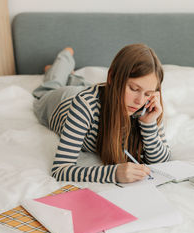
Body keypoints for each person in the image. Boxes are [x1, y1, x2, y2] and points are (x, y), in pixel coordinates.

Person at [32, 44, 171, 184]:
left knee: (84, 85)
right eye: (134, 88)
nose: (139, 101)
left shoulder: (147, 108)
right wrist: (114, 173)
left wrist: (149, 125)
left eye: (148, 93)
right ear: (111, 77)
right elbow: (60, 170)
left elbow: (161, 161)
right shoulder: (84, 105)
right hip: (62, 101)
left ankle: (72, 77)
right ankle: (64, 58)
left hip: (100, 93)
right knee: (50, 86)